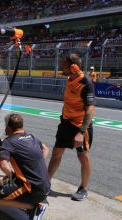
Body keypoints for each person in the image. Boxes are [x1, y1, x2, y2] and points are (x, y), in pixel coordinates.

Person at [0, 113, 50, 220]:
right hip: (45, 184)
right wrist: (33, 164)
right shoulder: (31, 137)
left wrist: (11, 175)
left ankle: (34, 207)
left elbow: (3, 165)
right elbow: (45, 149)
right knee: (7, 179)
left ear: (8, 127)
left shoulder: (9, 142)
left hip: (33, 188)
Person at [48, 54, 95, 201]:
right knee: (56, 153)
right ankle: (45, 182)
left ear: (73, 67)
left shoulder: (86, 82)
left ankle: (83, 188)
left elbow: (90, 110)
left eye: (63, 64)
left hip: (81, 126)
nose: (61, 66)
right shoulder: (69, 79)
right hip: (66, 123)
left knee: (83, 156)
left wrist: (81, 132)